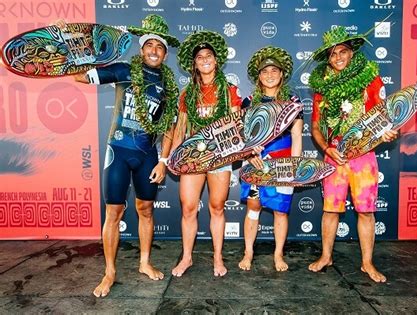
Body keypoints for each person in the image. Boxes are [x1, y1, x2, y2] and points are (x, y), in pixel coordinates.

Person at [58, 15, 180, 297]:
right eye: (148, 45)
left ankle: (145, 263)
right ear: (141, 49)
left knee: (146, 210)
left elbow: (171, 127)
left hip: (148, 155)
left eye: (159, 47)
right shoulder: (124, 70)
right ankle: (109, 272)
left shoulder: (170, 85)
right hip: (118, 151)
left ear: (164, 53)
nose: (153, 50)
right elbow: (80, 76)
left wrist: (163, 161)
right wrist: (75, 50)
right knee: (113, 212)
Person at [308, 26, 397, 283]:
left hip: (363, 156)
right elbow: (315, 127)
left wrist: (388, 133)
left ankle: (367, 263)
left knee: (366, 211)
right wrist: (327, 149)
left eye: (343, 52)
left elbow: (384, 117)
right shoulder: (322, 89)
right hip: (334, 155)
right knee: (330, 209)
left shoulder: (370, 80)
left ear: (351, 53)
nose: (338, 58)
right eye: (333, 54)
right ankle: (326, 256)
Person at [171, 31, 242, 277]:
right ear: (194, 63)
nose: (204, 60)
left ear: (216, 60)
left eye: (208, 55)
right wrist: (172, 156)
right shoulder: (187, 94)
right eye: (199, 57)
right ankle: (187, 257)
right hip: (193, 157)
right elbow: (180, 128)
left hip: (220, 157)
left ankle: (218, 258)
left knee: (217, 207)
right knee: (189, 207)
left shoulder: (229, 90)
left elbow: (236, 125)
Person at [238, 46, 302, 272]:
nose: (270, 75)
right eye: (265, 71)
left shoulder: (293, 101)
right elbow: (242, 136)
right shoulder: (248, 102)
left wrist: (295, 166)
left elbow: (296, 135)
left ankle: (278, 255)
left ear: (282, 73)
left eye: (274, 70)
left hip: (283, 163)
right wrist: (250, 154)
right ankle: (248, 253)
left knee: (280, 210)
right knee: (253, 206)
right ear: (258, 76)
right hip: (256, 161)